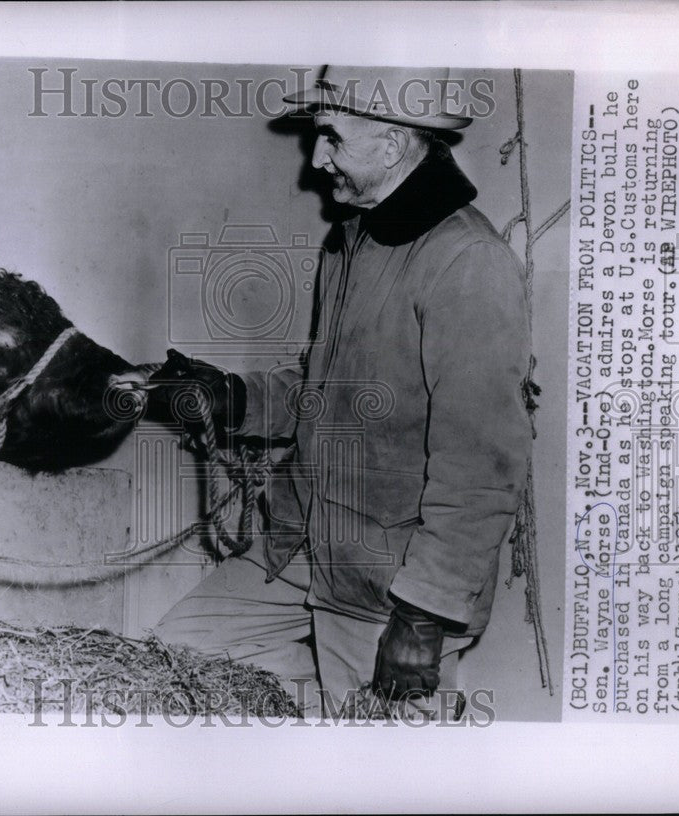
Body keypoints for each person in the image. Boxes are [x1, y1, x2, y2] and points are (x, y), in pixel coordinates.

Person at [150, 66, 532, 716]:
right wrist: (231, 399)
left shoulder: (469, 263)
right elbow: (328, 393)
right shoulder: (352, 241)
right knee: (184, 649)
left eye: (329, 137)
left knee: (391, 771)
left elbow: (482, 466)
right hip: (305, 549)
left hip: (393, 585)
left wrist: (425, 614)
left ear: (391, 140)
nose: (316, 159)